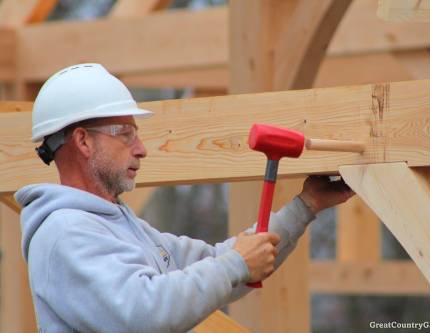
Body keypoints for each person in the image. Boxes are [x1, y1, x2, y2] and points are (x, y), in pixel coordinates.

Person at [15, 63, 354, 333]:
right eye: (126, 134)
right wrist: (235, 264)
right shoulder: (65, 232)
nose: (141, 148)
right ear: (83, 142)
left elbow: (219, 263)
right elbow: (144, 314)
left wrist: (307, 205)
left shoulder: (119, 226)